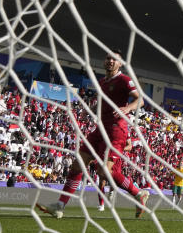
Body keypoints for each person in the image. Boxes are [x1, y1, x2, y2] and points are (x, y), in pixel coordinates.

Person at [37, 50, 149, 219]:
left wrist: (127, 108)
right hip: (100, 129)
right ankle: (60, 206)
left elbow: (140, 99)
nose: (110, 61)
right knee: (77, 164)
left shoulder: (125, 80)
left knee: (103, 172)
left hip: (116, 131)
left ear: (120, 63)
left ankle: (137, 193)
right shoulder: (102, 81)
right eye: (108, 58)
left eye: (114, 59)